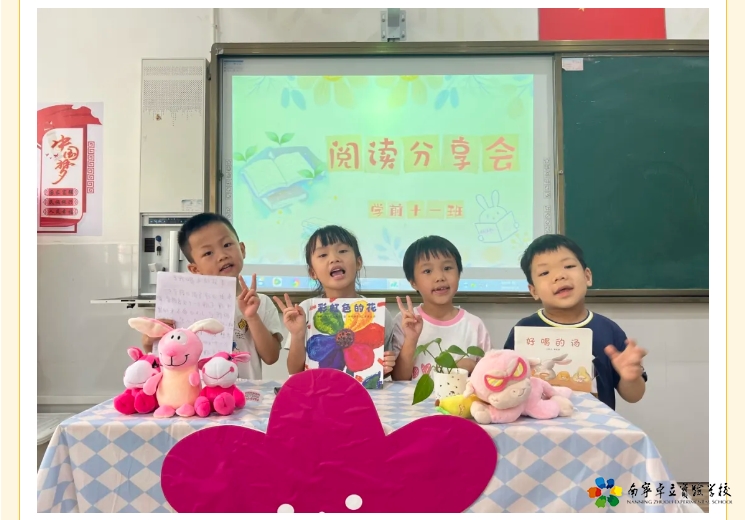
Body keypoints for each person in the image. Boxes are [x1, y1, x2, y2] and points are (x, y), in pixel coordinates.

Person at [503, 234, 647, 410]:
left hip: (593, 425)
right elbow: (506, 386)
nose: (559, 276)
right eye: (544, 273)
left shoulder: (608, 330)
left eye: (569, 266)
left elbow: (634, 396)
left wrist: (630, 377)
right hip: (537, 423)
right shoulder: (524, 330)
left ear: (587, 276)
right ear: (534, 291)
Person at [140, 213, 283, 380]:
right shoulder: (182, 308)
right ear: (195, 269)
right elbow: (168, 357)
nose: (222, 256)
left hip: (244, 393)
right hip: (197, 392)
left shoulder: (261, 303)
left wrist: (252, 318)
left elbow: (271, 357)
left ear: (242, 249)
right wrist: (149, 343)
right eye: (208, 253)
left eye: (227, 244)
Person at [274, 225, 396, 376]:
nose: (334, 259)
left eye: (342, 251)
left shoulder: (378, 313)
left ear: (358, 262)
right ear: (312, 272)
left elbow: (382, 370)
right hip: (318, 390)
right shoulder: (306, 309)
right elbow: (294, 371)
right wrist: (297, 335)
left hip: (362, 391)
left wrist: (386, 367)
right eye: (323, 255)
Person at [390, 236, 491, 381]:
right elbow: (399, 379)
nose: (439, 277)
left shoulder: (475, 325)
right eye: (427, 271)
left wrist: (472, 366)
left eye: (447, 268)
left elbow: (490, 377)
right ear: (413, 282)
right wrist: (411, 340)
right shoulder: (405, 321)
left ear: (459, 273)